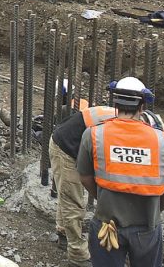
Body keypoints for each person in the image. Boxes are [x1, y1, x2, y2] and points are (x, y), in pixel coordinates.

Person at [77, 77, 164, 267]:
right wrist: (154, 212)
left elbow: (85, 177)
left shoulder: (93, 134)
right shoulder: (163, 140)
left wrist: (104, 198)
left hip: (107, 225)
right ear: (142, 106)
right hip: (147, 228)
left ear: (115, 103)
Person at [49, 89, 118, 265]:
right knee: (73, 201)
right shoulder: (119, 127)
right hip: (65, 148)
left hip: (70, 142)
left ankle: (63, 233)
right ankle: (77, 254)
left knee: (68, 196)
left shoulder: (122, 116)